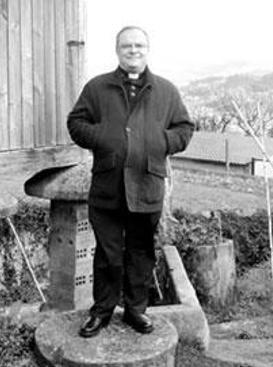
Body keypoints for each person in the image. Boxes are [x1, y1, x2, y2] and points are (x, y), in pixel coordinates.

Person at [67, 26, 194, 338]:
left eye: (138, 45)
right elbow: (76, 122)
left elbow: (185, 129)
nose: (133, 50)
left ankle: (137, 311)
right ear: (117, 51)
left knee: (140, 252)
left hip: (147, 186)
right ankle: (101, 312)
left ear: (147, 50)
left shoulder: (165, 91)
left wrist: (160, 142)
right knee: (107, 254)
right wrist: (103, 137)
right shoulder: (97, 88)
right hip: (107, 188)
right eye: (127, 46)